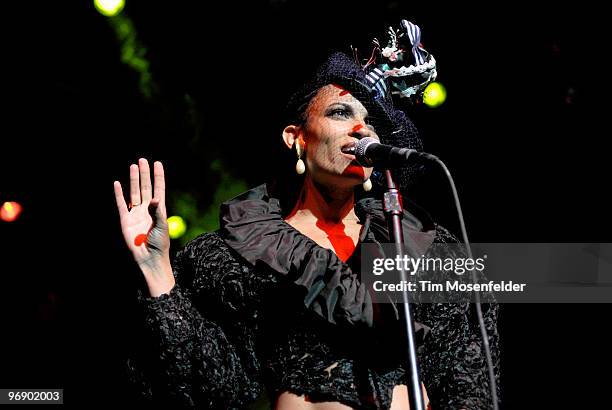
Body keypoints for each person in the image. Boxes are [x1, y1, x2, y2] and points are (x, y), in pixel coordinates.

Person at [113, 36, 500, 409]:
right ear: (296, 139)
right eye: (339, 112)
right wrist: (157, 270)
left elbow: (466, 369)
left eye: (370, 121)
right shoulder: (242, 254)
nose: (360, 129)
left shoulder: (417, 243)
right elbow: (209, 386)